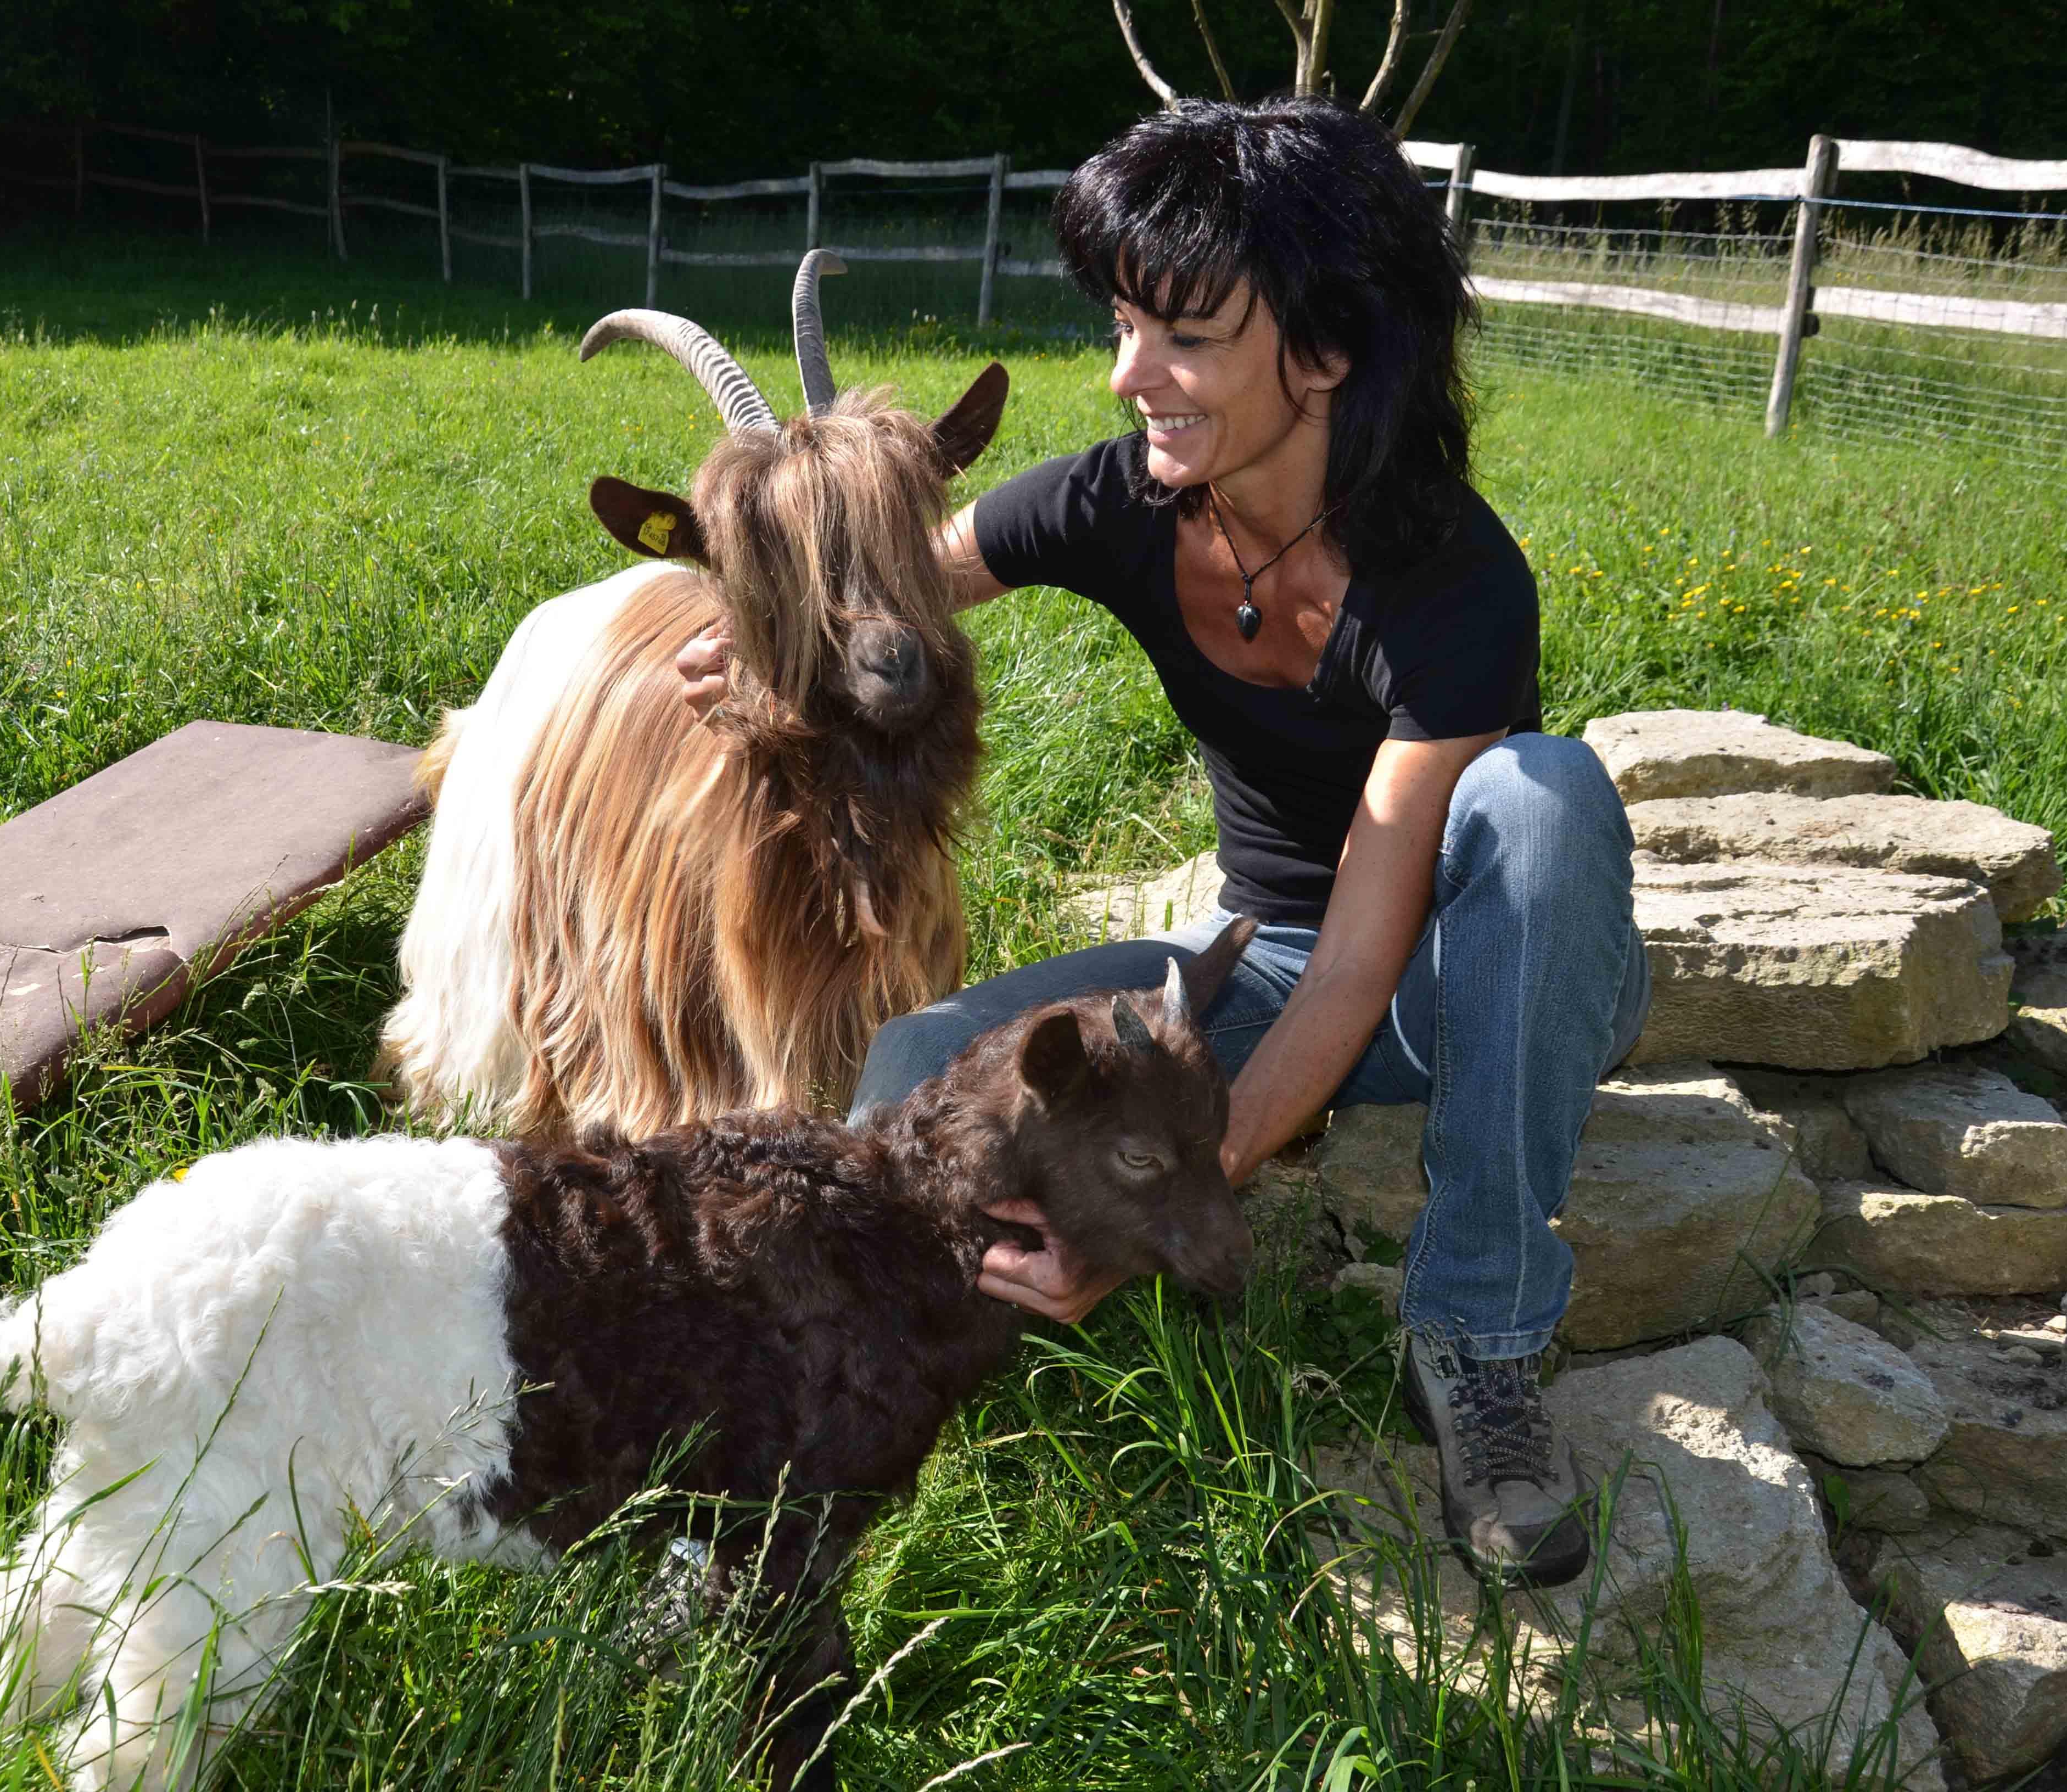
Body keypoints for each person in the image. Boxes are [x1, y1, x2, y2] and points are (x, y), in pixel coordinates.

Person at [678, 95, 1648, 1589]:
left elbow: (1364, 964)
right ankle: (819, 1410)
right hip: (1259, 965)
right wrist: (771, 641)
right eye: (1126, 325)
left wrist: (1154, 1211)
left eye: (1181, 338)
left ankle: (1480, 1340)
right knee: (916, 1059)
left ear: (1320, 353)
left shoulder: (1451, 580)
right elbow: (888, 587)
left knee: (1543, 796)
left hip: (1461, 975)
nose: (1130, 374)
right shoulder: (1124, 502)